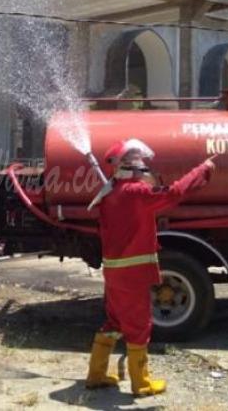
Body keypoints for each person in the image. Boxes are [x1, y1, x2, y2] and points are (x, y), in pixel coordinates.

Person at [85, 138, 216, 396]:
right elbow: (174, 194)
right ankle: (141, 383)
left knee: (115, 321)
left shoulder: (111, 193)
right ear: (127, 165)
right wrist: (202, 170)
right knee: (138, 325)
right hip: (132, 274)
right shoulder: (136, 193)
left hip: (114, 273)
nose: (142, 164)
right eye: (137, 160)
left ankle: (96, 374)